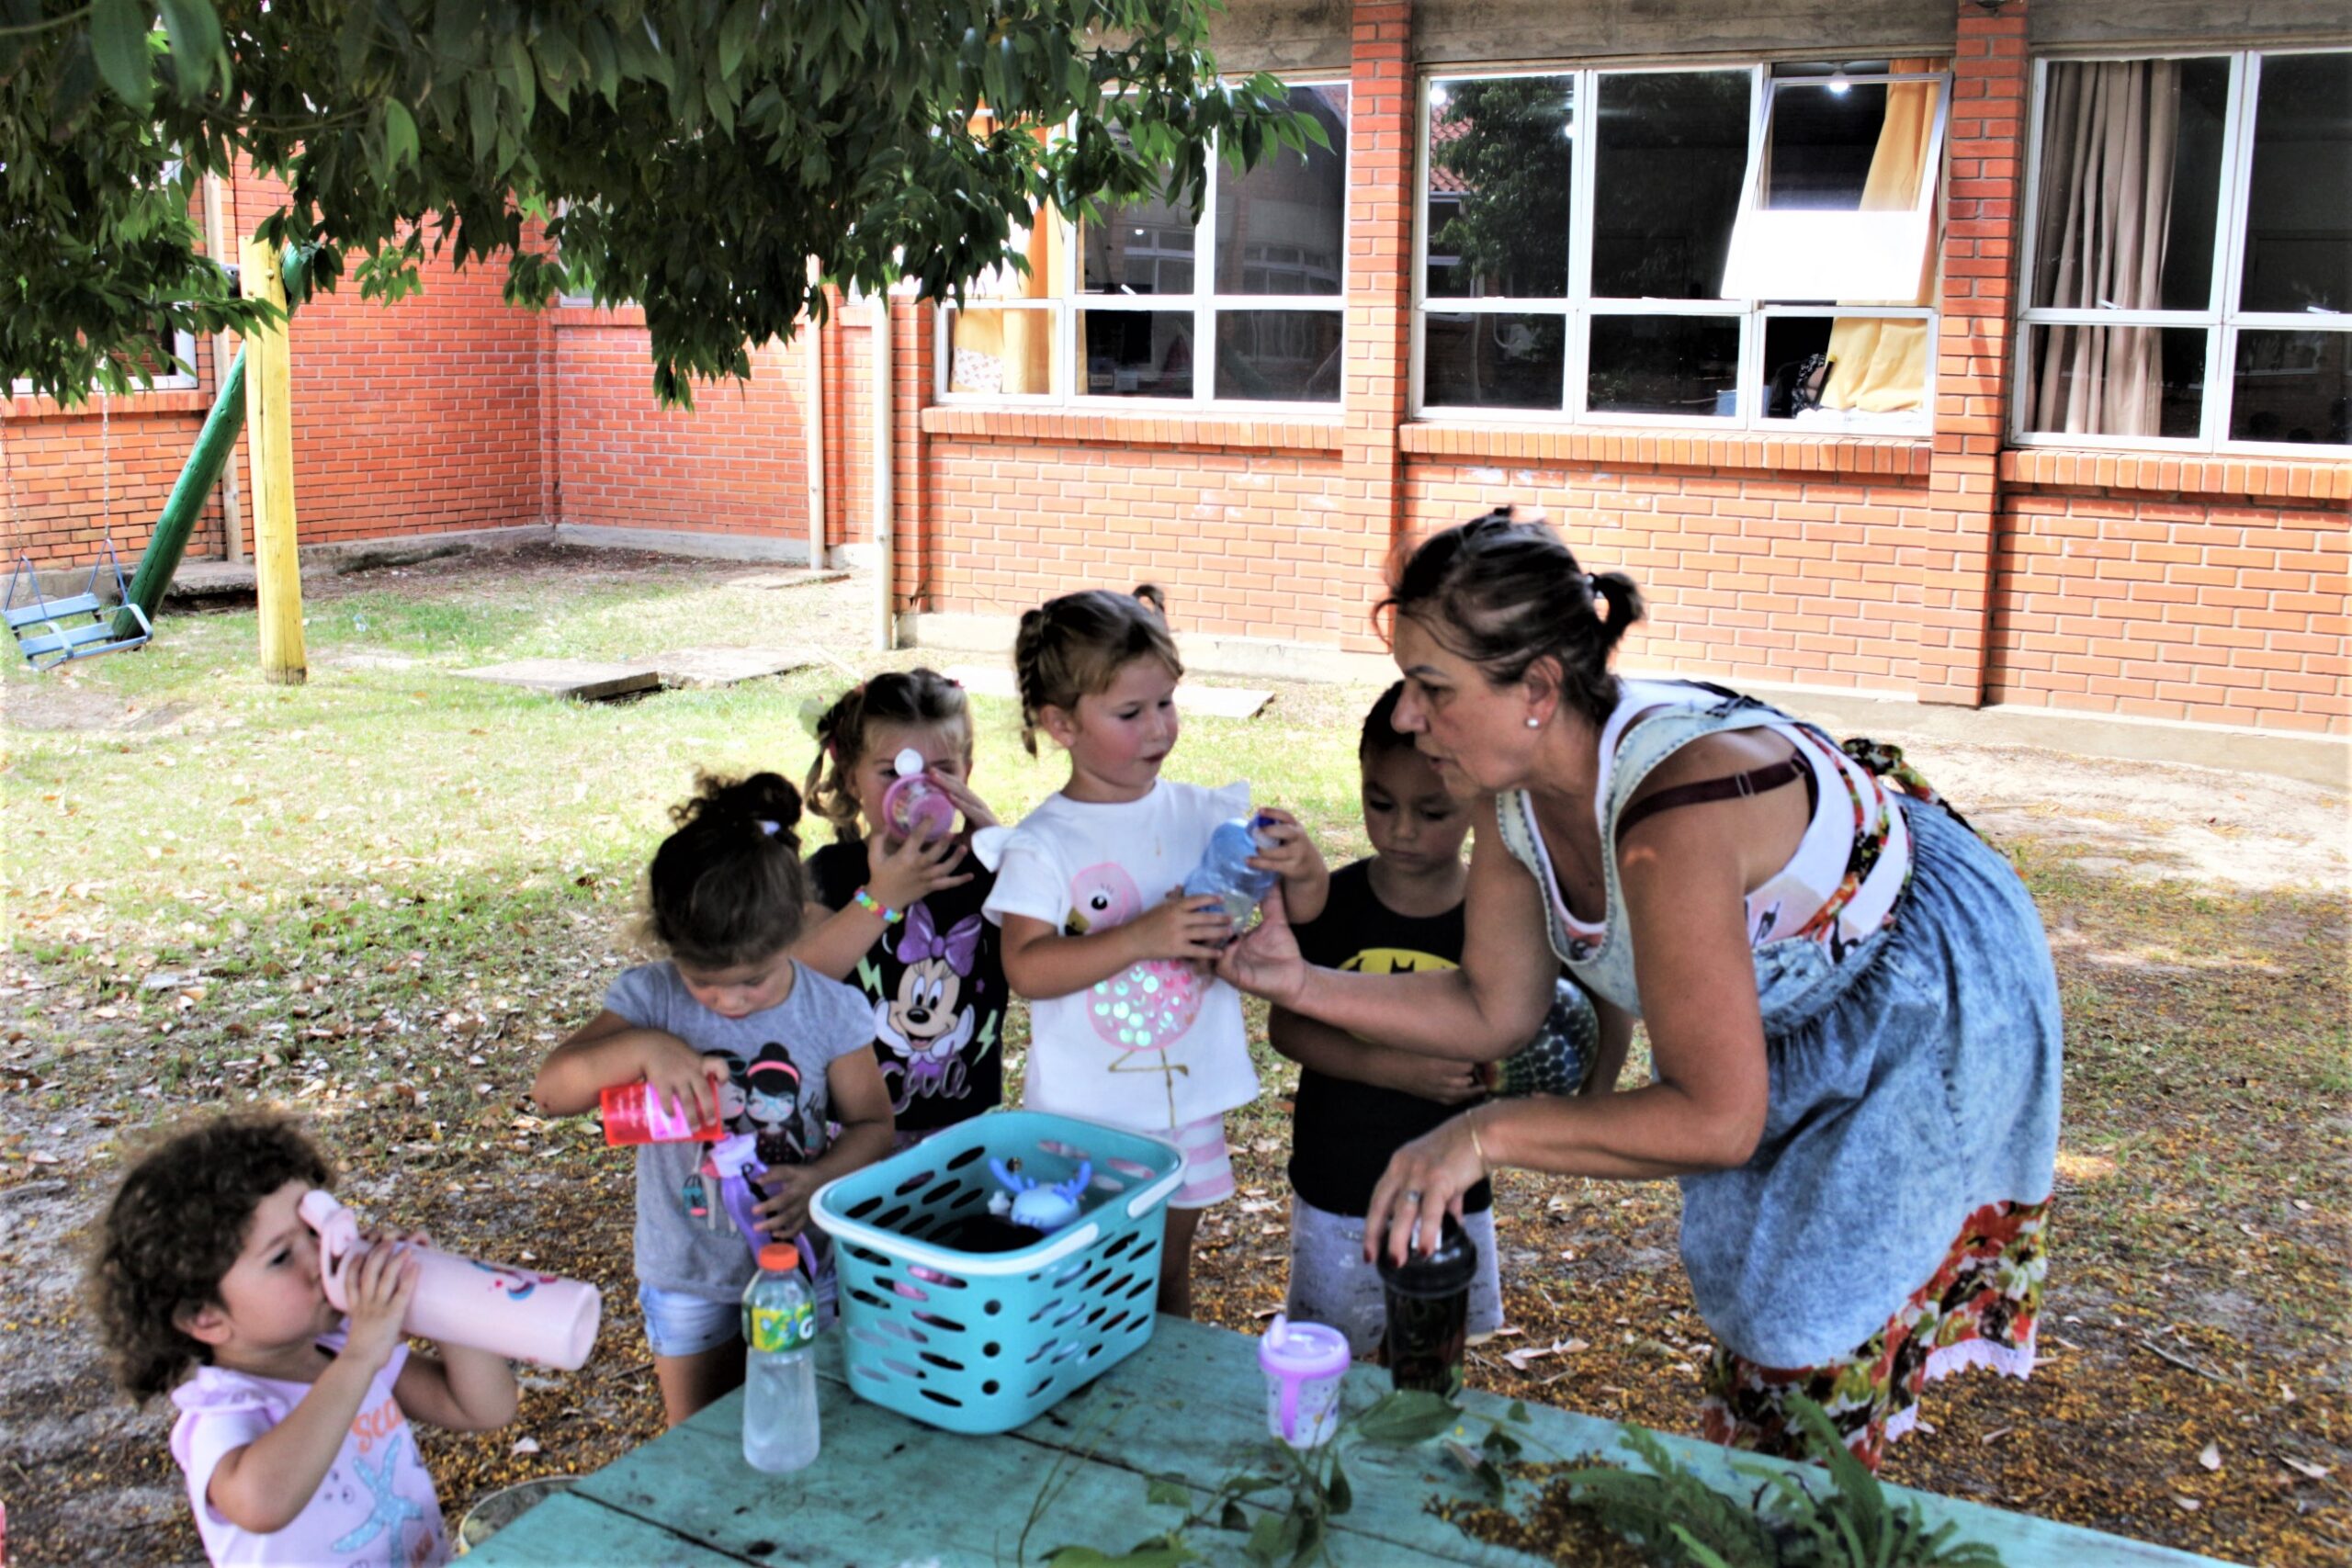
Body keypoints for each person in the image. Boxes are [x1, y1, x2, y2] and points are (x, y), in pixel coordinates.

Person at [1221, 510, 2062, 1467]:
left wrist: (1484, 1131)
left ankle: (1800, 1515)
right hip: (1789, 980)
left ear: (1538, 688)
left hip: (1913, 992)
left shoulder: (1673, 822)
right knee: (1759, 1301)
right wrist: (1301, 981)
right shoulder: (1513, 796)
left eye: (1430, 688)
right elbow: (1492, 1007)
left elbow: (1714, 1121)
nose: (1406, 717)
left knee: (1804, 1334)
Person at [984, 585, 1329, 1317]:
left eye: (1166, 703)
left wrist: (1304, 868)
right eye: (1130, 712)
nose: (1159, 728)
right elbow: (1026, 966)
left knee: (1165, 1277)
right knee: (1080, 1283)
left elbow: (1300, 917)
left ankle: (1157, 1409)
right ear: (1059, 722)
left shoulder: (1208, 816)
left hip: (1183, 1106)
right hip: (1082, 1117)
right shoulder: (1044, 842)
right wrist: (1141, 935)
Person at [532, 771, 892, 1427]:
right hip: (688, 1271)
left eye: (751, 981)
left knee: (805, 1417)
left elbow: (874, 1124)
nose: (728, 1002)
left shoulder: (831, 1010)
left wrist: (816, 1178)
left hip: (803, 1266)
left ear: (792, 932)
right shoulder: (653, 999)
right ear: (672, 949)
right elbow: (551, 1092)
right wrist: (644, 1048)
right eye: (704, 982)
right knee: (696, 1438)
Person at [1279, 681, 1622, 1357]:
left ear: (1476, 802)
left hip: (1451, 1194)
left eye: (1432, 810)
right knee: (1333, 1354)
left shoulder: (1503, 925)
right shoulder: (1337, 902)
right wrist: (1392, 1067)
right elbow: (1288, 1028)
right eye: (1381, 803)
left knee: (1433, 1351)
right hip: (1338, 1183)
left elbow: (1603, 990)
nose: (1402, 828)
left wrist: (1596, 1094)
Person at [87, 1113, 518, 1567]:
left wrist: (438, 1302)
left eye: (317, 1231)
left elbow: (484, 1407)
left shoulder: (338, 1349)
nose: (321, 1257)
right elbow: (262, 1503)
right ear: (206, 1317)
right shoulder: (226, 1411)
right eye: (280, 1257)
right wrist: (361, 1356)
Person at [796, 669, 1006, 1142]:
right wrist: (882, 899)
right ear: (852, 779)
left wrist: (1007, 854)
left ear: (967, 774)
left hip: (962, 1127)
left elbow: (1056, 940)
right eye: (892, 773)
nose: (917, 792)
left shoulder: (990, 871)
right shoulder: (832, 873)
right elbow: (796, 978)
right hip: (850, 1133)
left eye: (943, 772)